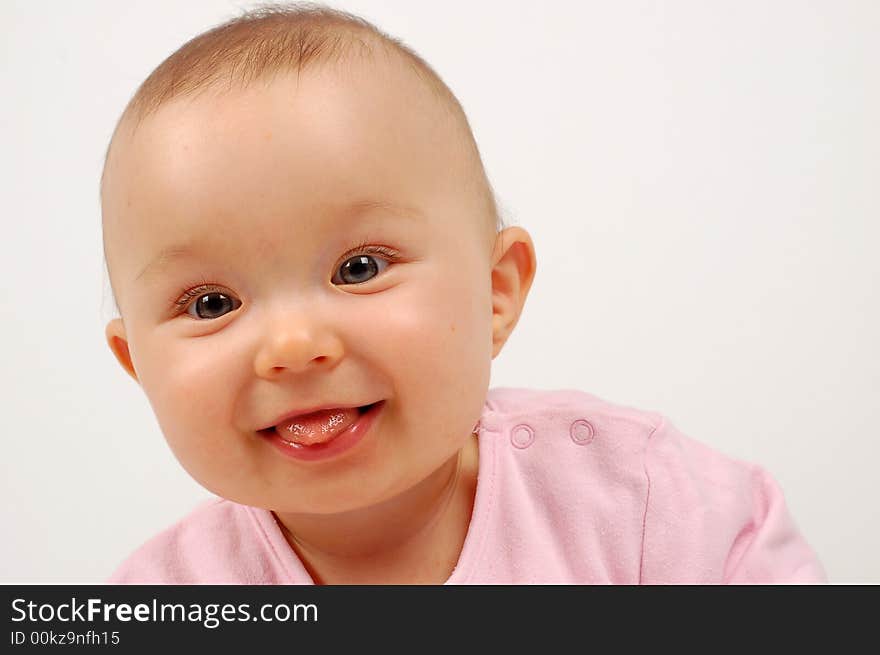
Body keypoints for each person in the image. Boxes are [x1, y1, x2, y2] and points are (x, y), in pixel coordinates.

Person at [100, 4, 825, 584]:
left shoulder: (637, 504)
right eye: (211, 305)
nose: (291, 346)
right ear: (138, 366)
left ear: (494, 291)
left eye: (358, 268)